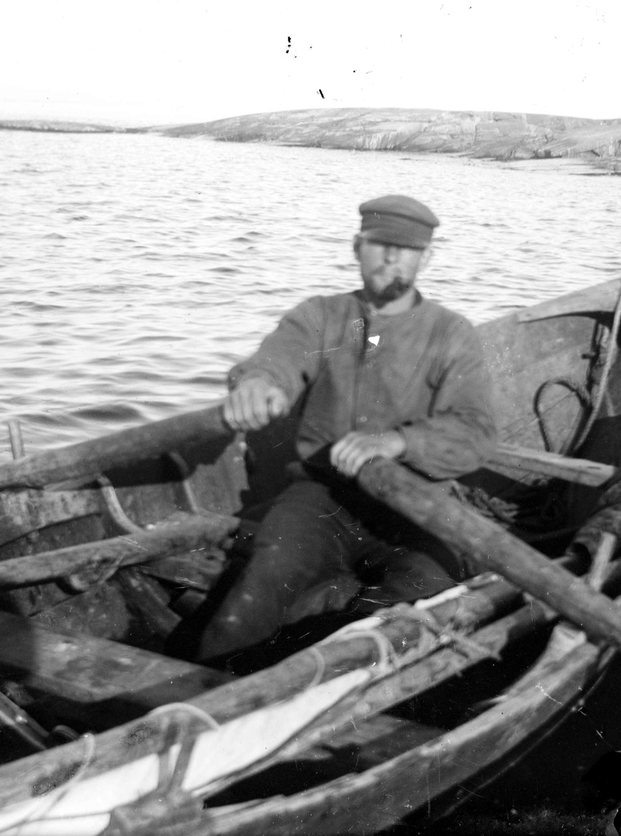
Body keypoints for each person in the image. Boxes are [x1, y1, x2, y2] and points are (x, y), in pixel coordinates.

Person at [197, 195, 497, 663]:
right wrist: (257, 384)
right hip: (322, 499)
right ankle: (212, 683)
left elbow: (475, 432)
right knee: (254, 594)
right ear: (358, 247)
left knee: (422, 600)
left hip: (416, 507)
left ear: (426, 258)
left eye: (406, 249)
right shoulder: (319, 317)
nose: (391, 258)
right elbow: (278, 360)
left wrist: (399, 442)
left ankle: (338, 663)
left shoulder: (452, 334)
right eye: (380, 245)